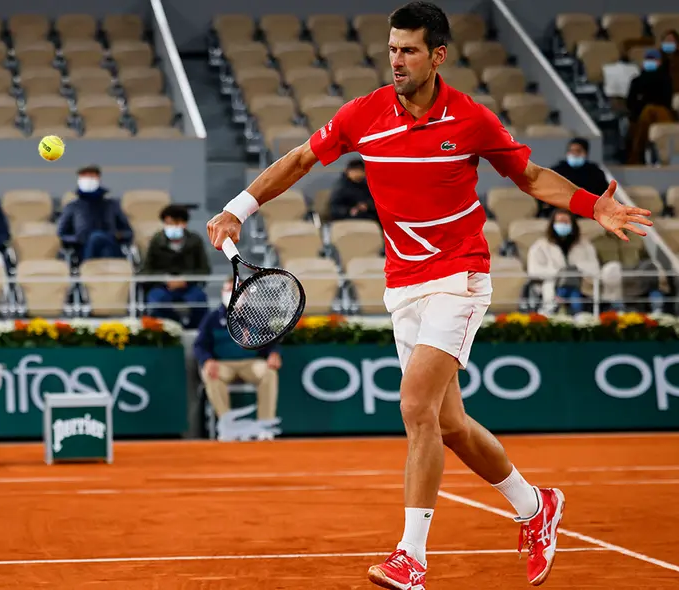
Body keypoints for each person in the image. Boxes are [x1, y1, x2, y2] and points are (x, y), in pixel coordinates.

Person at [206, 3, 652, 588]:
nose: (397, 60)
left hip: (459, 277)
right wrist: (238, 209)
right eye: (392, 49)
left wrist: (593, 203)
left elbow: (531, 176)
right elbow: (300, 160)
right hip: (404, 285)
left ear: (437, 55)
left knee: (415, 407)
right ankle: (534, 506)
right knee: (450, 426)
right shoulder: (363, 113)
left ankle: (412, 556)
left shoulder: (470, 119)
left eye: (409, 50)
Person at [193, 277, 282, 440]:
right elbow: (200, 345)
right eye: (229, 290)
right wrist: (207, 360)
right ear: (222, 293)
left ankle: (265, 425)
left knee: (269, 372)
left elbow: (271, 342)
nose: (233, 294)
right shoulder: (212, 319)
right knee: (210, 375)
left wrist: (274, 354)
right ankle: (228, 426)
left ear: (246, 294)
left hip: (251, 363)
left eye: (238, 291)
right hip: (222, 363)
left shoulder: (257, 317)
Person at [140, 204, 211, 327]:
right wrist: (165, 279)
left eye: (175, 223)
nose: (171, 226)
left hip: (188, 286)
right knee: (156, 301)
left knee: (199, 300)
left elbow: (204, 269)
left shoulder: (195, 240)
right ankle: (173, 327)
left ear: (184, 223)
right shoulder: (156, 241)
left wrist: (185, 279)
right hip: (162, 286)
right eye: (168, 223)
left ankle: (195, 330)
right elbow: (146, 270)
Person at [526, 209, 607, 315]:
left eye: (566, 222)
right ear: (552, 224)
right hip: (552, 287)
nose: (562, 224)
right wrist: (559, 272)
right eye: (559, 222)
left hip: (581, 286)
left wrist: (577, 269)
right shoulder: (540, 246)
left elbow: (595, 268)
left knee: (577, 306)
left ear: (572, 224)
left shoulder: (585, 245)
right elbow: (534, 270)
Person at [57, 164, 132, 262]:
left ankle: (94, 270)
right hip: (82, 249)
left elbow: (128, 233)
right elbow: (62, 235)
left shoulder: (111, 205)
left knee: (98, 238)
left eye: (91, 176)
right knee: (95, 238)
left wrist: (116, 235)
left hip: (110, 245)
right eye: (85, 176)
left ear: (98, 179)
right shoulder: (72, 207)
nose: (88, 179)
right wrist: (77, 239)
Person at [625, 48, 675, 165]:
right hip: (639, 115)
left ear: (659, 62)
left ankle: (641, 154)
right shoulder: (636, 81)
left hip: (661, 113)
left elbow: (667, 101)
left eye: (653, 59)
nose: (650, 62)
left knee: (653, 111)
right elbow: (630, 103)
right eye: (648, 59)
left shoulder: (666, 80)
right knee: (647, 112)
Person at [544, 137, 609, 217]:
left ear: (586, 153)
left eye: (578, 151)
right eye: (571, 151)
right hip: (560, 212)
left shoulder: (595, 173)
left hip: (588, 213)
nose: (574, 154)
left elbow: (603, 195)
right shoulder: (557, 171)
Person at [329, 157, 377, 221]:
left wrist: (367, 206)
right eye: (355, 171)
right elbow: (334, 209)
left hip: (368, 217)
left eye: (360, 170)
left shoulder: (368, 186)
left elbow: (374, 203)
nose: (357, 174)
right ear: (347, 172)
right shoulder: (341, 187)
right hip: (346, 219)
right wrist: (349, 210)